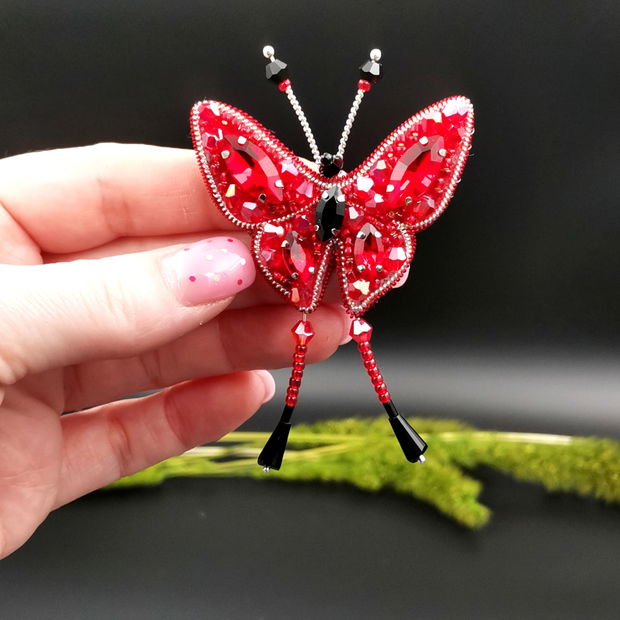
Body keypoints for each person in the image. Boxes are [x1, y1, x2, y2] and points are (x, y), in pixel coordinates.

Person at [0, 143, 352, 558]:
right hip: (307, 244)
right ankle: (294, 421)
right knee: (305, 329)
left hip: (330, 241)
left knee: (306, 328)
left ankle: (289, 422)